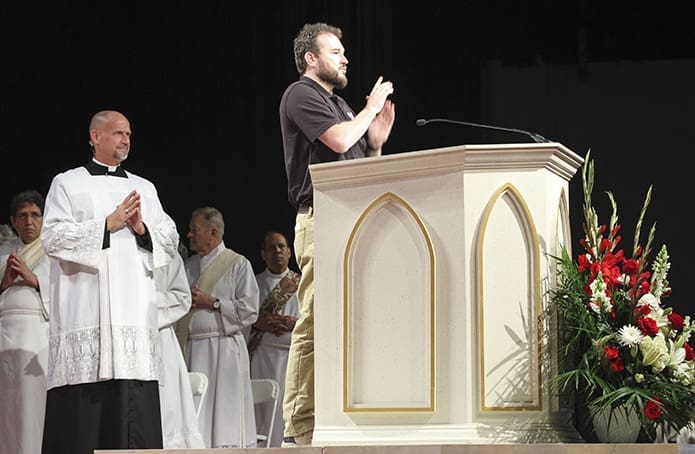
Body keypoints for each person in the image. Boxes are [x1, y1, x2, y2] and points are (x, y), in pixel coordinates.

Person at [279, 22, 395, 447]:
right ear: (311, 59)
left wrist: (377, 143)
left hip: (353, 218)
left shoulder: (342, 104)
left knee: (352, 322)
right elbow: (339, 139)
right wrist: (370, 112)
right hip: (322, 218)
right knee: (314, 320)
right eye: (336, 51)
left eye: (344, 51)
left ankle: (346, 416)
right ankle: (300, 426)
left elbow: (361, 165)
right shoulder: (302, 94)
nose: (345, 58)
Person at [39, 110, 179, 454]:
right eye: (117, 133)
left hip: (132, 316)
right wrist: (107, 224)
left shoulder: (144, 187)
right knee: (82, 426)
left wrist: (141, 230)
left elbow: (170, 238)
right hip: (86, 312)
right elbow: (52, 237)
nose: (126, 140)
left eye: (129, 133)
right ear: (95, 136)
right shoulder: (67, 183)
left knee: (134, 418)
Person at [179, 206, 259, 448]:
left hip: (224, 351)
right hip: (193, 350)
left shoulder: (237, 264)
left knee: (224, 416)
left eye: (194, 230)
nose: (189, 235)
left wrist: (212, 302)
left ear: (213, 233)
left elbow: (250, 309)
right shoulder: (188, 266)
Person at [0, 190, 49, 454]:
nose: (29, 221)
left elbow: (68, 298)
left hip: (37, 341)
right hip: (5, 341)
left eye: (35, 215)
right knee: (7, 409)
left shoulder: (55, 255)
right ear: (13, 221)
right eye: (22, 216)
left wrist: (36, 281)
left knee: (32, 408)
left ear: (44, 218)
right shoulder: (3, 255)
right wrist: (4, 283)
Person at [247, 230, 300, 447]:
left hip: (291, 359)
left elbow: (316, 319)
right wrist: (259, 323)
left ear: (289, 252)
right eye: (271, 248)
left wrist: (292, 324)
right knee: (263, 411)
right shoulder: (254, 282)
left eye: (281, 246)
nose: (277, 251)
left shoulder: (302, 283)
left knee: (287, 410)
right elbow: (243, 314)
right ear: (263, 254)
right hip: (261, 358)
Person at [155, 241, 205, 449]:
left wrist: (141, 300)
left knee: (165, 414)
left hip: (159, 338)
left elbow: (182, 297)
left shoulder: (166, 254)